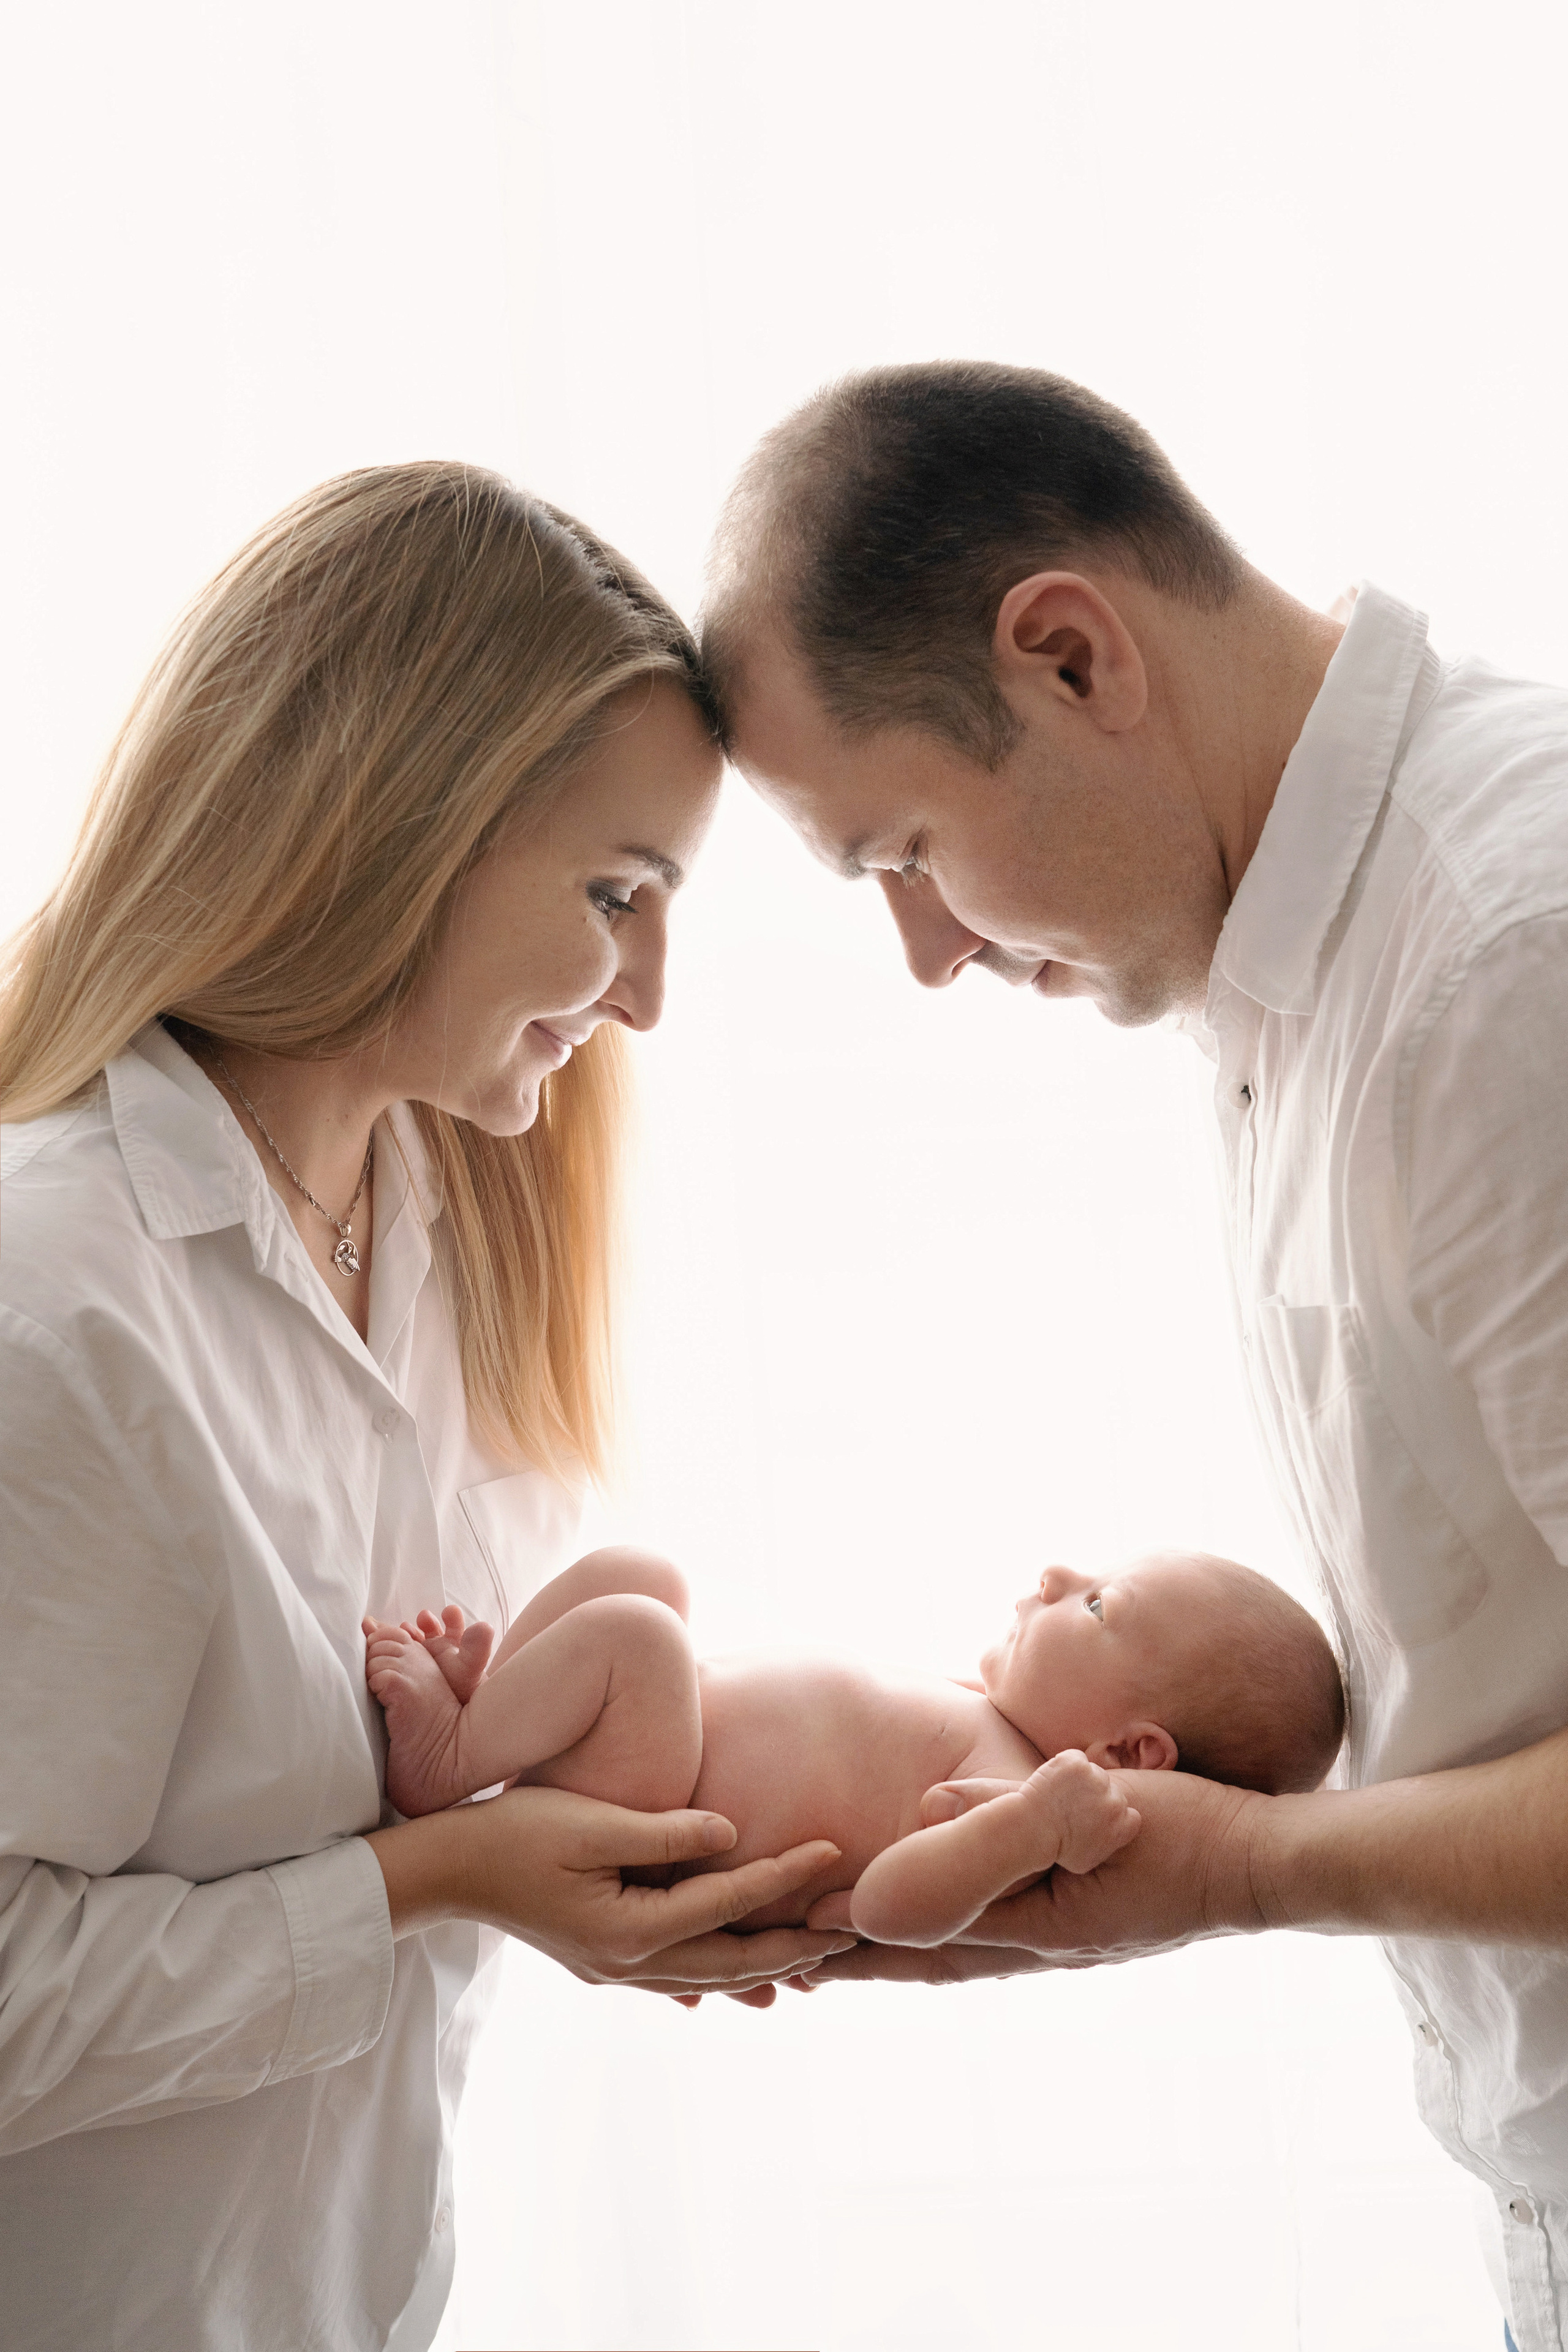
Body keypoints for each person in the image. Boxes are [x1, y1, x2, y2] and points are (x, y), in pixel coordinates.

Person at [701, 360, 1568, 2352]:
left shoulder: (1504, 970)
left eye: (902, 846)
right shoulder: (1296, 983)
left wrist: (1248, 1867)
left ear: (1074, 657)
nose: (925, 953)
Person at [0, 464, 856, 2352]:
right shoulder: (55, 1308)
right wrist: (427, 1888)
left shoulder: (455, 1241)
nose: (647, 996)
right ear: (395, 828)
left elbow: (455, 1768)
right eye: (618, 895)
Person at [363, 1544, 1343, 1943]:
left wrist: (1032, 1830)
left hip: (654, 1823)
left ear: (1132, 1754)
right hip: (651, 1753)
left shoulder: (1016, 1797)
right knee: (645, 1579)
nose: (1056, 1574)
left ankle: (448, 1758)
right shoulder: (993, 1722)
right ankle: (492, 1716)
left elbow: (886, 1911)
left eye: (1098, 1605)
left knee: (644, 1635)